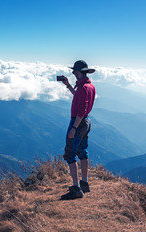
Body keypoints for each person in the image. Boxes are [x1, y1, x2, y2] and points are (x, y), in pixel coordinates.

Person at [59, 60, 96, 200]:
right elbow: (80, 100)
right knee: (82, 151)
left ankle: (76, 189)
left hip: (78, 122)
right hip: (86, 121)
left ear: (79, 72)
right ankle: (84, 183)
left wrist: (74, 128)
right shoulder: (89, 86)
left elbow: (81, 109)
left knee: (70, 155)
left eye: (74, 71)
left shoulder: (82, 88)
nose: (73, 74)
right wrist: (68, 85)